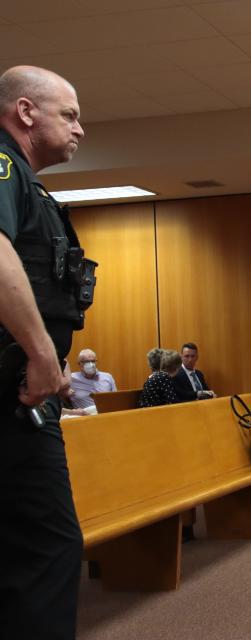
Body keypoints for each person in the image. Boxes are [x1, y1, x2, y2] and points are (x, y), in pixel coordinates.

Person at [0, 65, 91, 639]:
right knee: (49, 549)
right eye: (70, 114)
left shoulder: (25, 182)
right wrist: (41, 355)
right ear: (26, 112)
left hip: (19, 393)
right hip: (13, 394)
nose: (81, 128)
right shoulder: (4, 165)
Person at [67, 348, 116, 413]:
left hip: (105, 414)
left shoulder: (107, 377)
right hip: (83, 417)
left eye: (93, 361)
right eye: (87, 362)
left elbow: (115, 399)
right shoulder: (71, 379)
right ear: (80, 364)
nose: (91, 364)